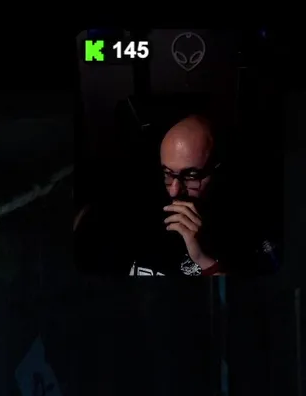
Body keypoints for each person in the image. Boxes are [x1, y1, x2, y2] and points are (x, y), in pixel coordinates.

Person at [75, 112, 278, 276]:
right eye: (168, 174)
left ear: (218, 169)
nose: (174, 190)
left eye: (191, 176)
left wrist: (203, 259)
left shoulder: (250, 231)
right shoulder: (132, 210)